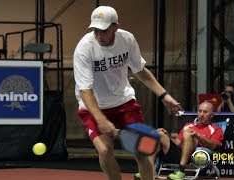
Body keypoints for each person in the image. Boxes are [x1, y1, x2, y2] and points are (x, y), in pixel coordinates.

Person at [73, 6, 183, 180]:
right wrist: (101, 119)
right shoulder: (84, 48)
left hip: (124, 103)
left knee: (143, 150)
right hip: (93, 106)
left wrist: (164, 95)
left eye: (103, 30)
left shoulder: (127, 39)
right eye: (95, 30)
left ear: (115, 27)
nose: (99, 35)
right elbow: (85, 90)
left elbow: (140, 70)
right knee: (105, 150)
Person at [135, 102, 223, 180]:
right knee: (158, 134)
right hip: (179, 155)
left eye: (205, 112)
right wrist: (167, 136)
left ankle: (181, 171)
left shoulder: (216, 129)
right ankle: (148, 170)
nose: (201, 114)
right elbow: (177, 143)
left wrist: (197, 135)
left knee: (188, 134)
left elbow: (214, 146)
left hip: (195, 158)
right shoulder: (188, 125)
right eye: (200, 111)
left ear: (212, 115)